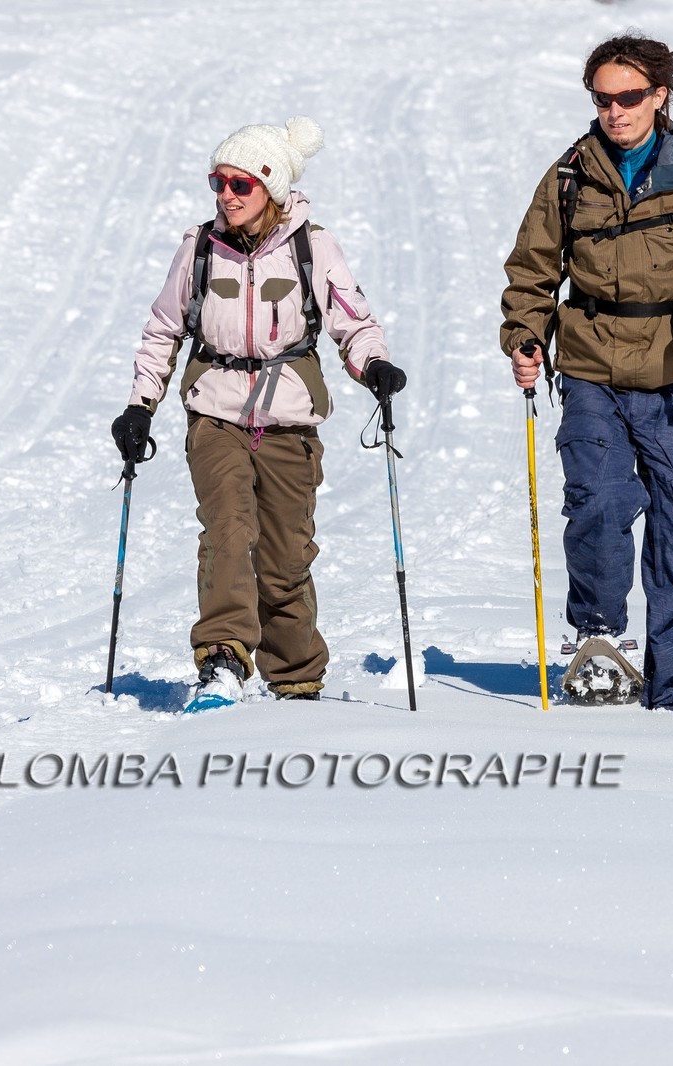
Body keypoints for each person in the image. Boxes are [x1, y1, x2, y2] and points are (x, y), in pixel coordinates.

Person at [499, 33, 673, 710]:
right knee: (598, 503)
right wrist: (525, 335)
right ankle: (599, 645)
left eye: (628, 97)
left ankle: (672, 674)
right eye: (602, 99)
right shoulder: (569, 178)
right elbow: (533, 271)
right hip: (591, 367)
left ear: (660, 95)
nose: (614, 112)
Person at [111, 116, 404, 708]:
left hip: (290, 418)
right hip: (215, 413)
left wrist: (373, 364)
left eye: (239, 184)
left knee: (285, 552)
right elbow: (164, 328)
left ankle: (296, 676)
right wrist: (140, 404)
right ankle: (221, 658)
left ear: (269, 186)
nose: (225, 195)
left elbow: (353, 320)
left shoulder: (310, 245)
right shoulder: (199, 247)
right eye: (217, 181)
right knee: (227, 531)